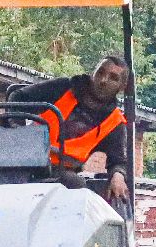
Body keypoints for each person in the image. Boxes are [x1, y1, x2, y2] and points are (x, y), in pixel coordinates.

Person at [9, 55, 132, 206]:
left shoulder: (115, 122)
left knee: (78, 188)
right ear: (93, 72)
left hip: (61, 173)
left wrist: (118, 176)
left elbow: (118, 161)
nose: (103, 80)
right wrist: (18, 130)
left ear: (122, 87)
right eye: (100, 72)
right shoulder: (62, 88)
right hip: (24, 161)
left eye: (113, 78)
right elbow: (18, 96)